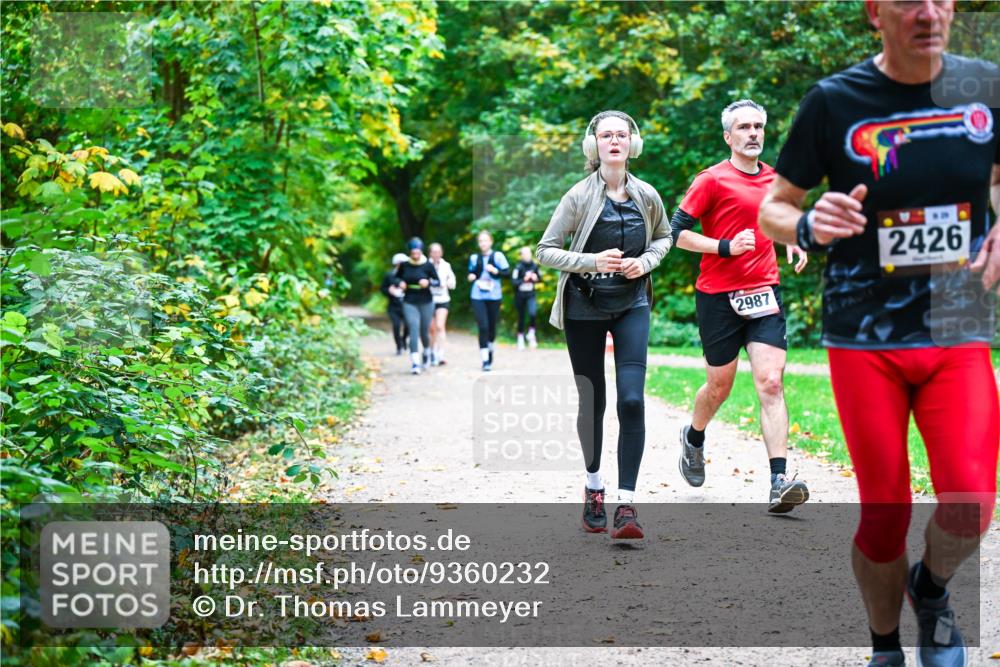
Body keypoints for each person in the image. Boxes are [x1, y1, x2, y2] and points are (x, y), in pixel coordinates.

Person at [759, 1, 999, 664]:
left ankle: (932, 589)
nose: (928, 13)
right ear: (875, 12)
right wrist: (808, 223)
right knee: (885, 512)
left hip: (956, 325)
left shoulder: (985, 88)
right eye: (908, 0)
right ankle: (885, 645)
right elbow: (774, 206)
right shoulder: (834, 102)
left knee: (972, 501)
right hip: (865, 336)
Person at [669, 99, 811, 513]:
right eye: (744, 127)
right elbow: (675, 234)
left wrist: (791, 239)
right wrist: (724, 246)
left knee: (771, 382)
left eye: (758, 126)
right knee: (720, 386)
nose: (753, 133)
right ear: (728, 137)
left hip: (764, 292)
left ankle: (778, 481)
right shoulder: (711, 180)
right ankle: (694, 437)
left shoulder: (774, 178)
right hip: (718, 297)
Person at [537, 110, 671, 539]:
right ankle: (594, 486)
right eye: (606, 135)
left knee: (631, 401)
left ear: (633, 143)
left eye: (621, 135)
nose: (614, 141)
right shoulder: (577, 196)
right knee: (592, 401)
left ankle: (626, 504)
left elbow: (664, 237)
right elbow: (545, 250)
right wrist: (591, 262)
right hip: (584, 306)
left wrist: (645, 262)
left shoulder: (647, 195)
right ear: (593, 144)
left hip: (632, 304)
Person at [395, 238, 440, 375]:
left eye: (417, 252)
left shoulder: (427, 265)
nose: (415, 255)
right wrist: (400, 283)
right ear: (410, 252)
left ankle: (426, 351)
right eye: (413, 253)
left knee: (424, 331)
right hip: (409, 301)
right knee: (413, 328)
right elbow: (396, 277)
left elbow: (437, 281)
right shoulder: (404, 265)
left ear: (421, 251)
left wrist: (428, 282)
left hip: (426, 301)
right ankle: (415, 363)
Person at [467, 230, 510, 371]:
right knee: (483, 327)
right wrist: (471, 277)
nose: (483, 243)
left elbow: (507, 273)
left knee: (491, 328)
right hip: (477, 296)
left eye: (485, 240)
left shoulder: (498, 256)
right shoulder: (474, 257)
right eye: (480, 241)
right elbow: (471, 273)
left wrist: (495, 270)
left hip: (494, 296)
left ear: (490, 242)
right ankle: (485, 360)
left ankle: (490, 347)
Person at [428, 242, 457, 366]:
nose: (436, 254)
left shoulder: (446, 265)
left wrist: (447, 283)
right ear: (430, 253)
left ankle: (441, 354)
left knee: (440, 326)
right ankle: (431, 352)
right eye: (434, 252)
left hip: (443, 299)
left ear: (441, 253)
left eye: (438, 251)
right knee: (432, 329)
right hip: (429, 300)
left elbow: (453, 282)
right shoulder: (426, 265)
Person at [511, 246, 542, 350]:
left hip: (530, 295)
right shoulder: (518, 267)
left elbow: (540, 278)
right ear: (521, 255)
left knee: (533, 313)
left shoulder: (535, 266)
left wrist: (536, 278)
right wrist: (524, 279)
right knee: (521, 317)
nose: (527, 255)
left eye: (528, 253)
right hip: (520, 296)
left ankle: (531, 334)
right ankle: (520, 339)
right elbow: (514, 282)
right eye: (524, 253)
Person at [380, 253, 409, 355]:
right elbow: (382, 289)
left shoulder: (409, 275)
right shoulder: (389, 275)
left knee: (408, 325)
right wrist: (389, 291)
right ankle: (399, 346)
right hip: (393, 306)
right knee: (396, 325)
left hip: (407, 304)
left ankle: (404, 339)